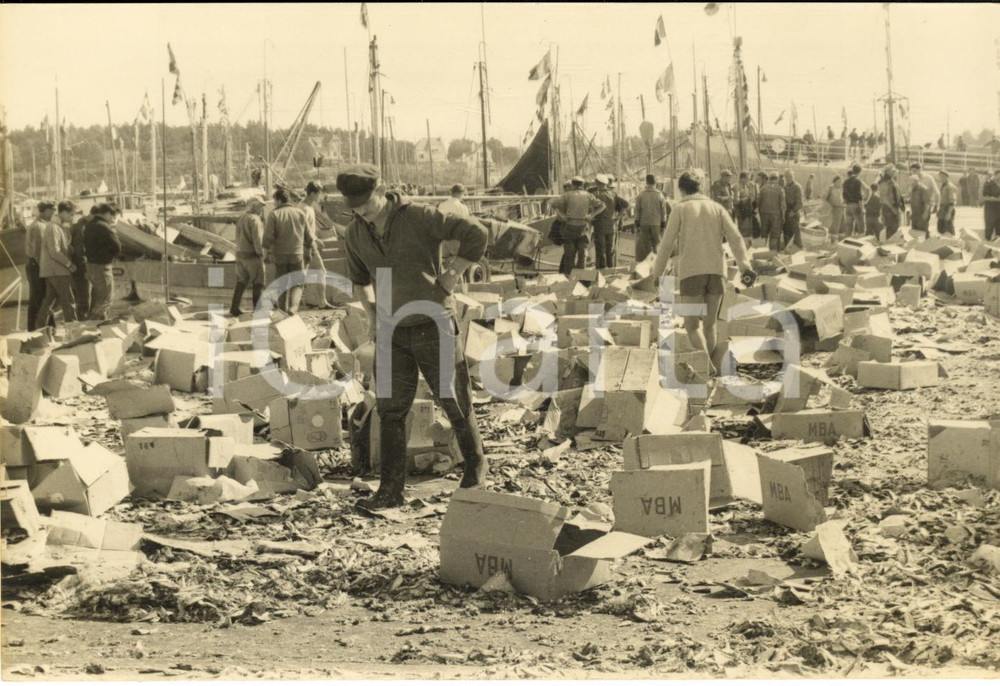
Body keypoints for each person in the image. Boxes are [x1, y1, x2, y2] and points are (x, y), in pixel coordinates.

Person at [337, 163, 488, 509]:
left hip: (433, 319)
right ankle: (390, 490)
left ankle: (475, 472)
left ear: (381, 190)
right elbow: (360, 280)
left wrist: (452, 275)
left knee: (454, 401)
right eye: (354, 205)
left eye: (365, 202)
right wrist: (374, 315)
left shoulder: (420, 216)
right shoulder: (355, 233)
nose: (361, 210)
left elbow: (476, 233)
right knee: (390, 411)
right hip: (392, 331)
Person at [650, 171, 753, 377]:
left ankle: (707, 367)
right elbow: (735, 238)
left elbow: (666, 244)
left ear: (681, 189)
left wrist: (657, 273)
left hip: (692, 272)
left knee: (691, 325)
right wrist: (744, 267)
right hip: (717, 272)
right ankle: (711, 368)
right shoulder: (717, 207)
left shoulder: (680, 208)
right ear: (700, 187)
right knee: (710, 323)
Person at [263, 187, 313, 314]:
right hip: (297, 254)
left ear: (279, 200)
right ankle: (293, 307)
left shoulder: (274, 214)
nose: (274, 203)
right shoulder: (300, 213)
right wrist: (309, 252)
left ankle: (282, 311)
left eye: (275, 201)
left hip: (280, 255)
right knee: (297, 283)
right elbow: (309, 237)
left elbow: (267, 237)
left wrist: (265, 254)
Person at [34, 201, 80, 329]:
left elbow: (58, 248)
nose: (71, 217)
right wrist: (69, 264)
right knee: (68, 301)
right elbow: (54, 251)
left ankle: (39, 329)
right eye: (71, 215)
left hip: (51, 270)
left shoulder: (56, 227)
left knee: (49, 301)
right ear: (63, 212)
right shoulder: (53, 227)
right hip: (57, 270)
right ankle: (73, 330)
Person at [551, 176, 603, 275]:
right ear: (582, 184)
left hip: (570, 225)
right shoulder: (588, 195)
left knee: (569, 254)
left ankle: (568, 277)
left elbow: (553, 205)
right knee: (582, 254)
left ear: (573, 184)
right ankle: (581, 278)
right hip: (584, 227)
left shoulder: (566, 195)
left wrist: (562, 215)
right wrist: (591, 215)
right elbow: (602, 206)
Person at [82, 203, 122, 320]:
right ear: (108, 214)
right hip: (102, 267)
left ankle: (100, 325)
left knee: (99, 299)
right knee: (106, 300)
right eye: (114, 216)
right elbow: (117, 247)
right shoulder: (104, 227)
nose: (114, 220)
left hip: (91, 266)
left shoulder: (89, 225)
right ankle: (90, 324)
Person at [230, 197, 266, 316]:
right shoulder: (255, 220)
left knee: (241, 282)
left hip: (240, 254)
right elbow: (258, 241)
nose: (262, 209)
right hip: (252, 256)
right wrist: (262, 255)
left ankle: (234, 307)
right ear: (254, 206)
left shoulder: (241, 218)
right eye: (260, 206)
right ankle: (258, 310)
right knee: (258, 282)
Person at [299, 181, 332, 310]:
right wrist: (312, 240)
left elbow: (309, 230)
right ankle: (319, 301)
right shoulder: (304, 209)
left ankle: (318, 301)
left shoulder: (309, 207)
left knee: (310, 273)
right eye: (318, 194)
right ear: (312, 193)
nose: (320, 196)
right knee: (317, 272)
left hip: (310, 244)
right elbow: (301, 230)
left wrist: (316, 238)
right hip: (307, 246)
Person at [25, 201, 56, 330]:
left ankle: (46, 327)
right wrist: (45, 270)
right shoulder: (39, 227)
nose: (54, 212)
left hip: (37, 265)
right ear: (45, 211)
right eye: (52, 210)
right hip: (37, 265)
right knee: (40, 297)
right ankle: (35, 329)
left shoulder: (43, 225)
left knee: (43, 297)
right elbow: (38, 251)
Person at [590, 174, 626, 269]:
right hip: (611, 225)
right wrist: (617, 217)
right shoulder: (613, 194)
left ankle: (601, 271)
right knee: (610, 250)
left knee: (601, 250)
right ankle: (611, 269)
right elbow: (626, 204)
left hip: (599, 225)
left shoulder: (594, 194)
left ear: (597, 183)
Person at [63, 202, 91, 319]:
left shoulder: (71, 228)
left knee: (77, 296)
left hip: (73, 265)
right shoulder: (80, 229)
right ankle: (83, 320)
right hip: (80, 265)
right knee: (84, 296)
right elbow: (80, 250)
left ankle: (79, 319)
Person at [634, 174, 670, 262]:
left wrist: (637, 224)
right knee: (657, 245)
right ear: (655, 183)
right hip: (656, 224)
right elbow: (663, 212)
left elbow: (637, 211)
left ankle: (648, 265)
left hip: (644, 223)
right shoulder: (660, 195)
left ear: (646, 182)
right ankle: (656, 265)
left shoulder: (640, 195)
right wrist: (663, 224)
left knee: (647, 247)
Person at [758, 172, 785, 251]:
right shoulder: (780, 189)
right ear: (777, 179)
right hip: (776, 215)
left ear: (769, 179)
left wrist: (760, 214)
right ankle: (772, 253)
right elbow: (783, 205)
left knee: (765, 234)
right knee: (774, 234)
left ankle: (765, 252)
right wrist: (783, 217)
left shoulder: (763, 188)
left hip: (764, 215)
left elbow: (758, 202)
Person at [877, 165, 906, 241]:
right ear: (887, 172)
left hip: (894, 207)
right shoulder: (884, 182)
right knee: (891, 228)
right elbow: (884, 197)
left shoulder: (892, 181)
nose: (895, 172)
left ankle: (893, 244)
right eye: (893, 171)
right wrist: (892, 208)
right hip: (889, 208)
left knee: (895, 228)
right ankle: (890, 245)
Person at [842, 163, 870, 237]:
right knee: (861, 228)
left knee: (848, 228)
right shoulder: (858, 181)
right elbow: (864, 192)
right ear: (860, 172)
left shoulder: (845, 181)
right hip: (857, 205)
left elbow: (844, 195)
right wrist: (864, 202)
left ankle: (847, 243)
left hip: (847, 206)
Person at [783, 169, 804, 249]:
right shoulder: (785, 187)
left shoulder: (797, 187)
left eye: (790, 176)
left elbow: (800, 202)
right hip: (786, 212)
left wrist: (794, 211)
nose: (788, 178)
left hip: (794, 213)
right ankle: (787, 250)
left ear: (793, 177)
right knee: (787, 233)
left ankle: (799, 248)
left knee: (796, 233)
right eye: (786, 176)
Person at [908, 168, 932, 239]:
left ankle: (927, 246)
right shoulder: (914, 189)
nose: (909, 183)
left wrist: (925, 212)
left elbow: (927, 202)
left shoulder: (923, 189)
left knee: (923, 231)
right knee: (915, 232)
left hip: (921, 214)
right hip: (915, 214)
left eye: (910, 181)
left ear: (915, 181)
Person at [733, 171, 757, 240]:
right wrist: (747, 198)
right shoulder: (736, 186)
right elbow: (736, 201)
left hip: (747, 211)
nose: (749, 180)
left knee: (748, 232)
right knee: (744, 231)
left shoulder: (746, 186)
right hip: (741, 212)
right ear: (742, 179)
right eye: (748, 179)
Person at [936, 171, 957, 236]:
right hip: (943, 208)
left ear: (947, 177)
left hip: (948, 208)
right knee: (940, 228)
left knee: (949, 228)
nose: (942, 178)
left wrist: (949, 213)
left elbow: (952, 201)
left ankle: (952, 243)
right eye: (940, 177)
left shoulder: (950, 187)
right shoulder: (943, 185)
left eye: (943, 177)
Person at [983, 169, 1000, 242]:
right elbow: (985, 197)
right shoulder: (988, 184)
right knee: (989, 231)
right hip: (991, 211)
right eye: (998, 175)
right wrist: (997, 199)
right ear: (995, 175)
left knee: (999, 232)